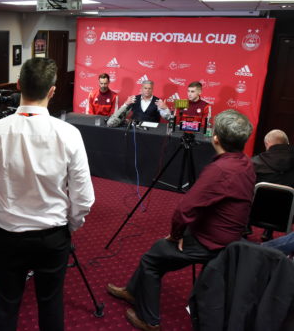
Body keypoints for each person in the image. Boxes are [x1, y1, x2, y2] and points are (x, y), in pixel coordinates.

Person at [0, 57, 95, 331]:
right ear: (52, 91)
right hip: (52, 236)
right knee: (51, 303)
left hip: (6, 234)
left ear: (18, 85)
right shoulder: (70, 134)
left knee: (6, 304)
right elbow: (83, 197)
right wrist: (70, 225)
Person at [107, 109, 255, 331]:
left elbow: (183, 210)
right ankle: (132, 290)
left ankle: (150, 321)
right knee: (158, 252)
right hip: (229, 237)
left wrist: (176, 235)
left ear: (215, 138)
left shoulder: (220, 169)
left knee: (152, 258)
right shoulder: (245, 162)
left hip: (212, 241)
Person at [250, 129, 294, 241]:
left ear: (267, 144)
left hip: (255, 214)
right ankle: (268, 232)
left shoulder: (254, 163)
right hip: (287, 216)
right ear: (287, 144)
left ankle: (245, 227)